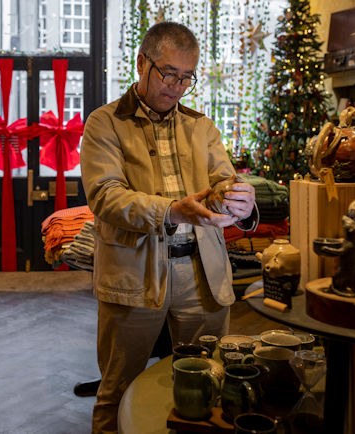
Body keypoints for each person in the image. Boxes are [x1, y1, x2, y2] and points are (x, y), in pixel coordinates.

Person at [80, 22, 257, 433]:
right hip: (134, 275)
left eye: (187, 77)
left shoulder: (202, 127)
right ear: (142, 63)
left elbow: (224, 183)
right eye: (168, 73)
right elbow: (105, 196)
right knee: (117, 388)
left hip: (202, 274)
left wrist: (241, 202)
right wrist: (171, 211)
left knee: (207, 381)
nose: (177, 86)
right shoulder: (104, 124)